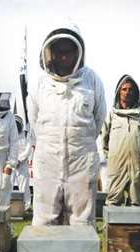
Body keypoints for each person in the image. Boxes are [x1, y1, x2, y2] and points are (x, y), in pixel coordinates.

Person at [28, 23, 106, 226]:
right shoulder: (39, 83)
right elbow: (34, 120)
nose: (64, 57)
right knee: (45, 217)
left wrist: (78, 141)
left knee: (81, 218)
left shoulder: (92, 80)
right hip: (47, 158)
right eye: (59, 52)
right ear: (51, 53)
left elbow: (98, 120)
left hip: (82, 157)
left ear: (78, 52)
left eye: (69, 52)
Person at [102, 75, 140, 206]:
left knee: (136, 200)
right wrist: (111, 155)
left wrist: (137, 149)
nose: (127, 92)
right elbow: (105, 137)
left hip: (136, 161)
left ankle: (135, 227)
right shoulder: (111, 113)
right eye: (124, 89)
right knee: (114, 198)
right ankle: (110, 227)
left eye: (130, 89)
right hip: (116, 161)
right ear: (118, 92)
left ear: (135, 92)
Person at [13, 114, 32, 210]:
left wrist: (20, 160)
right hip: (11, 163)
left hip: (22, 164)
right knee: (8, 186)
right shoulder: (9, 133)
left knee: (24, 186)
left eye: (17, 124)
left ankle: (26, 207)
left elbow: (28, 149)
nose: (16, 126)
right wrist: (13, 161)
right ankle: (10, 206)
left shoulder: (25, 134)